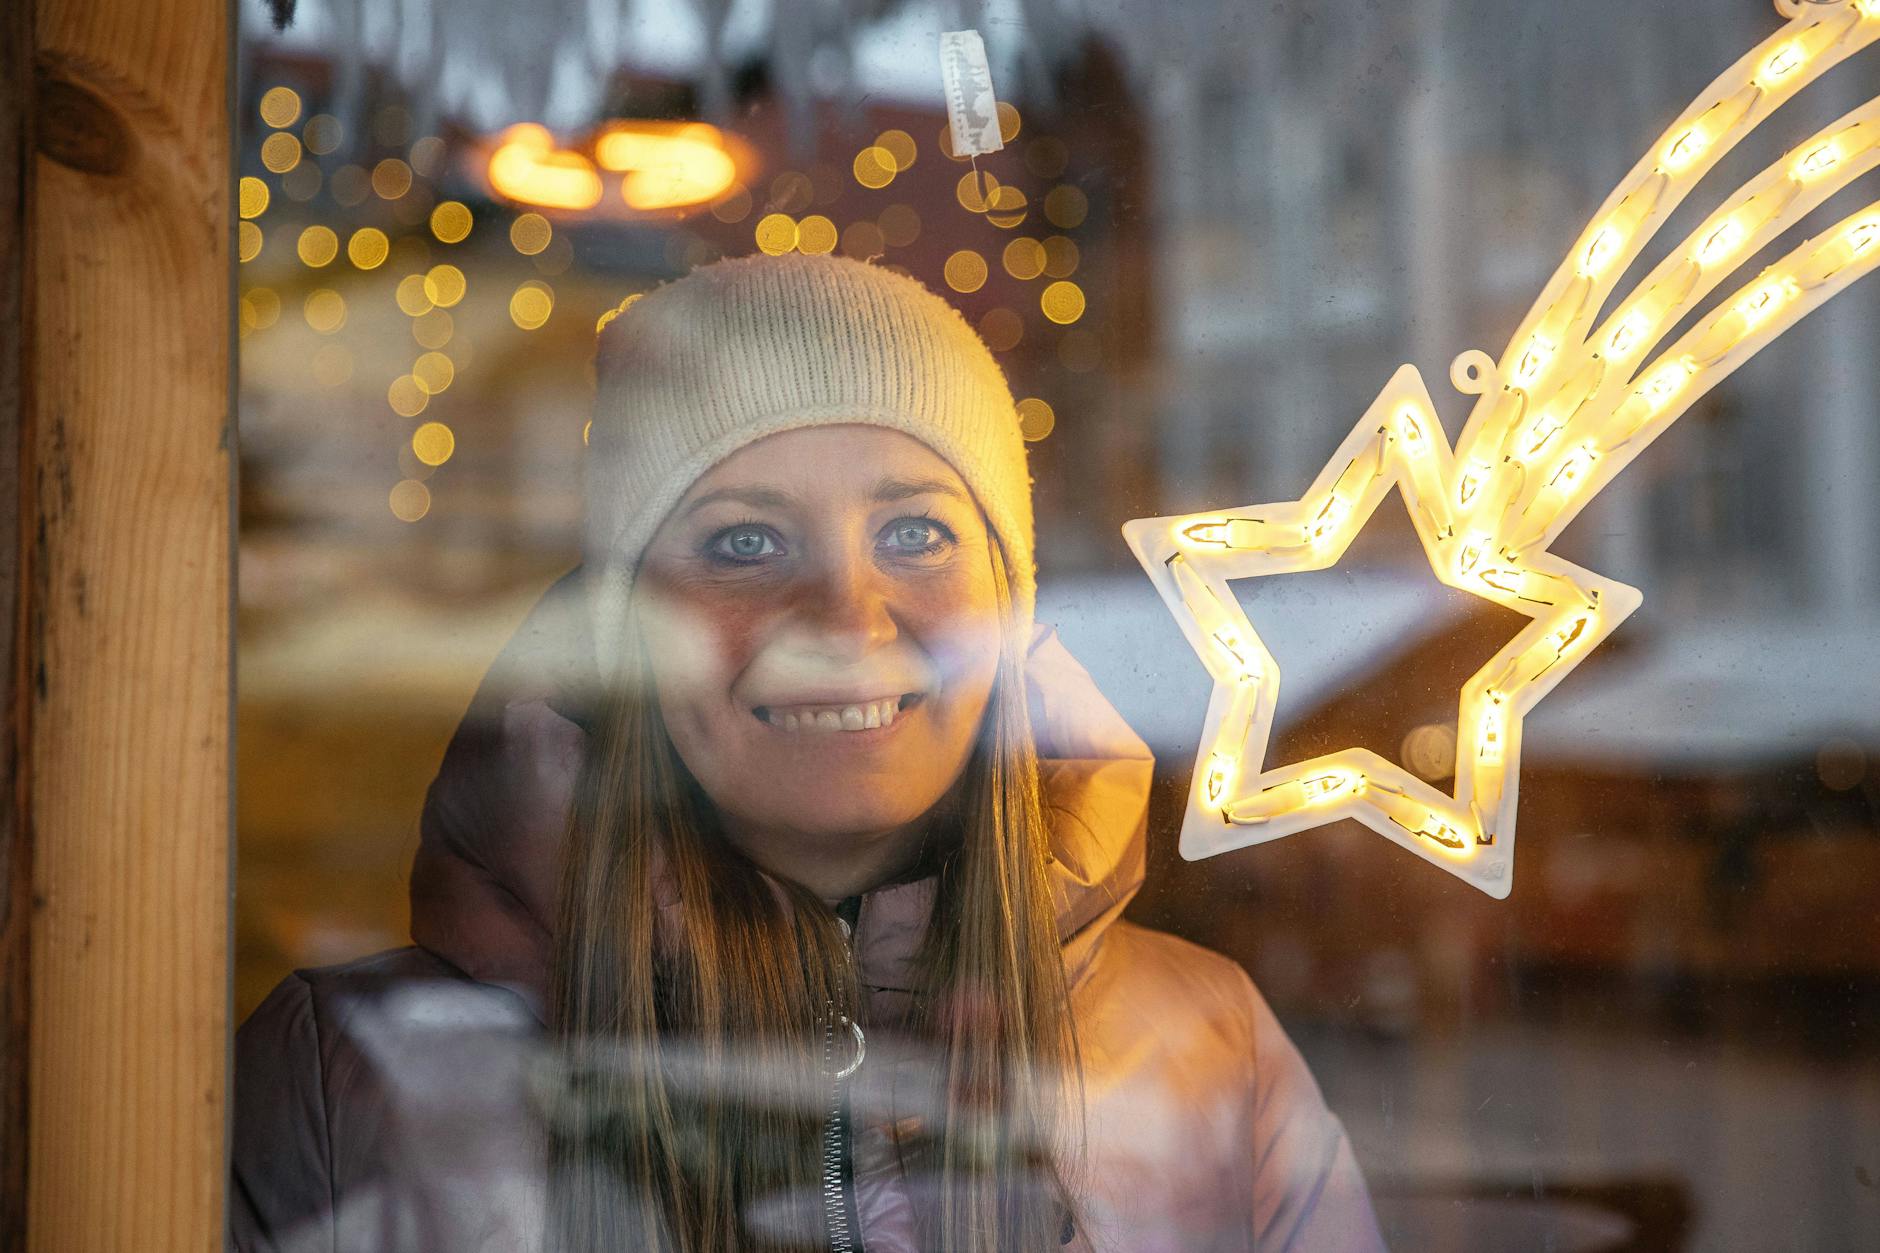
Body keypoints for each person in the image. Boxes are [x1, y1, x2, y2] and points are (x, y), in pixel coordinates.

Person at [229, 253, 1386, 1252]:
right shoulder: (350, 1084)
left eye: (915, 531)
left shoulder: (1212, 1051)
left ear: (1005, 601)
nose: (846, 613)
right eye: (742, 538)